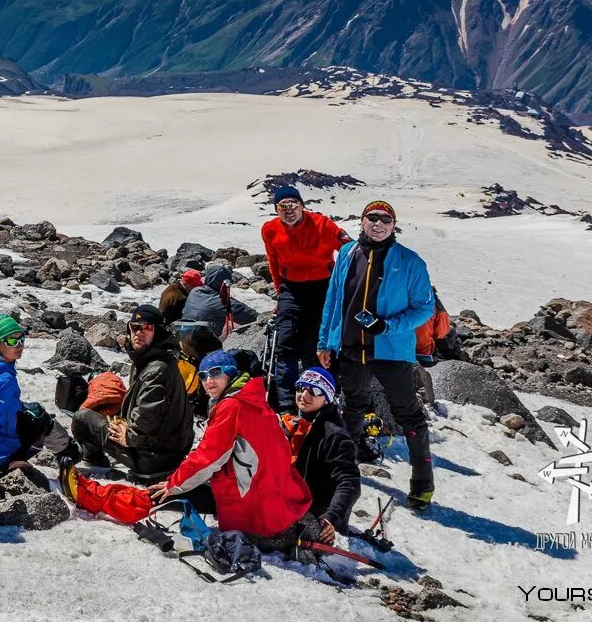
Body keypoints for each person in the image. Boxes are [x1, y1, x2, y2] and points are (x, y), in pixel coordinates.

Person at [62, 351, 316, 553]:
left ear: (230, 374)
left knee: (160, 495)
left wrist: (173, 484)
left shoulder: (232, 407)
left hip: (252, 510)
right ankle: (96, 494)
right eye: (204, 375)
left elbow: (210, 456)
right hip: (270, 501)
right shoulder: (258, 402)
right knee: (176, 490)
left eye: (215, 373)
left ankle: (91, 495)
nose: (208, 381)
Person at [318, 200, 437, 510]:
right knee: (352, 406)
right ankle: (343, 472)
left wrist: (388, 326)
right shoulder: (346, 253)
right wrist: (325, 342)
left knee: (408, 414)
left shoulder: (410, 262)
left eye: (386, 219)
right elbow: (333, 300)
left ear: (393, 224)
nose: (379, 223)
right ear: (362, 221)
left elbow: (424, 307)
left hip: (391, 350)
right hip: (350, 347)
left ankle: (422, 484)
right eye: (373, 217)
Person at [69, 305, 193, 480]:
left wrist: (128, 433)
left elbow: (140, 429)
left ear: (157, 331)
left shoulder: (156, 369)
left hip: (152, 460)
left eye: (146, 327)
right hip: (170, 452)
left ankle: (95, 462)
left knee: (82, 418)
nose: (138, 333)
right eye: (134, 327)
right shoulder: (156, 360)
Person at [262, 186, 351, 412]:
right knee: (286, 342)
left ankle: (317, 399)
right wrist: (280, 292)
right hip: (292, 287)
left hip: (323, 287)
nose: (289, 210)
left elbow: (349, 249)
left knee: (316, 344)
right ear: (276, 209)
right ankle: (285, 405)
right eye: (283, 206)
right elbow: (273, 260)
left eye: (293, 204)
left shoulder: (322, 225)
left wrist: (349, 284)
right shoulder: (270, 230)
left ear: (302, 206)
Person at [0, 314, 72, 476]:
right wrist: (5, 462)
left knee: (29, 410)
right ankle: (71, 457)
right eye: (11, 341)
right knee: (42, 420)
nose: (19, 345)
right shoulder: (3, 381)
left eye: (21, 339)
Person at [280, 367, 359, 545]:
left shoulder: (334, 435)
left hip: (318, 515)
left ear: (327, 398)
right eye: (300, 388)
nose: (303, 395)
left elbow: (349, 481)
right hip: (296, 501)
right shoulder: (300, 422)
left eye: (314, 391)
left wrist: (332, 517)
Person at [177, 264, 260, 363]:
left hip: (185, 342)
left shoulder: (195, 291)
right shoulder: (224, 302)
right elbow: (253, 316)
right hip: (206, 349)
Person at [416, 288, 457, 366]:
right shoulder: (433, 300)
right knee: (450, 332)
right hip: (422, 353)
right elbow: (442, 332)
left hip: (393, 351)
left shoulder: (394, 294)